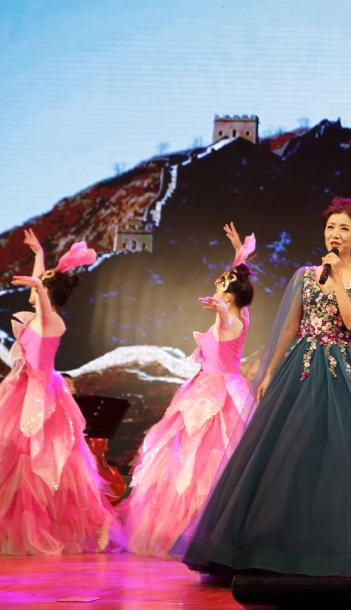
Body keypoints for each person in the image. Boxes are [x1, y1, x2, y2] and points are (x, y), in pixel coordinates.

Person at [174, 198, 351, 576]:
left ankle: (337, 552)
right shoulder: (304, 276)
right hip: (299, 370)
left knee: (343, 459)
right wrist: (270, 372)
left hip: (344, 375)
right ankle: (266, 550)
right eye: (331, 227)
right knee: (284, 455)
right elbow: (290, 327)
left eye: (344, 229)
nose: (335, 234)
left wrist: (338, 277)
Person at [0, 230, 118, 554]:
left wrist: (40, 286)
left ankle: (93, 520)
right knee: (12, 460)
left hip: (42, 394)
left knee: (48, 460)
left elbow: (44, 305)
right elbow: (40, 292)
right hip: (20, 390)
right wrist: (38, 255)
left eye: (38, 288)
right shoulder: (36, 318)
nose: (32, 292)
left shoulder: (51, 322)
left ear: (46, 294)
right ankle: (15, 526)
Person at [122, 223, 256, 557]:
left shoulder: (231, 319)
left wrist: (220, 307)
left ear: (229, 296)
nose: (216, 286)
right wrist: (238, 253)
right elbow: (236, 287)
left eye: (221, 286)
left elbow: (225, 314)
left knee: (204, 458)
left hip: (216, 395)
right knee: (187, 457)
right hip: (206, 388)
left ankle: (199, 529)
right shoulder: (243, 315)